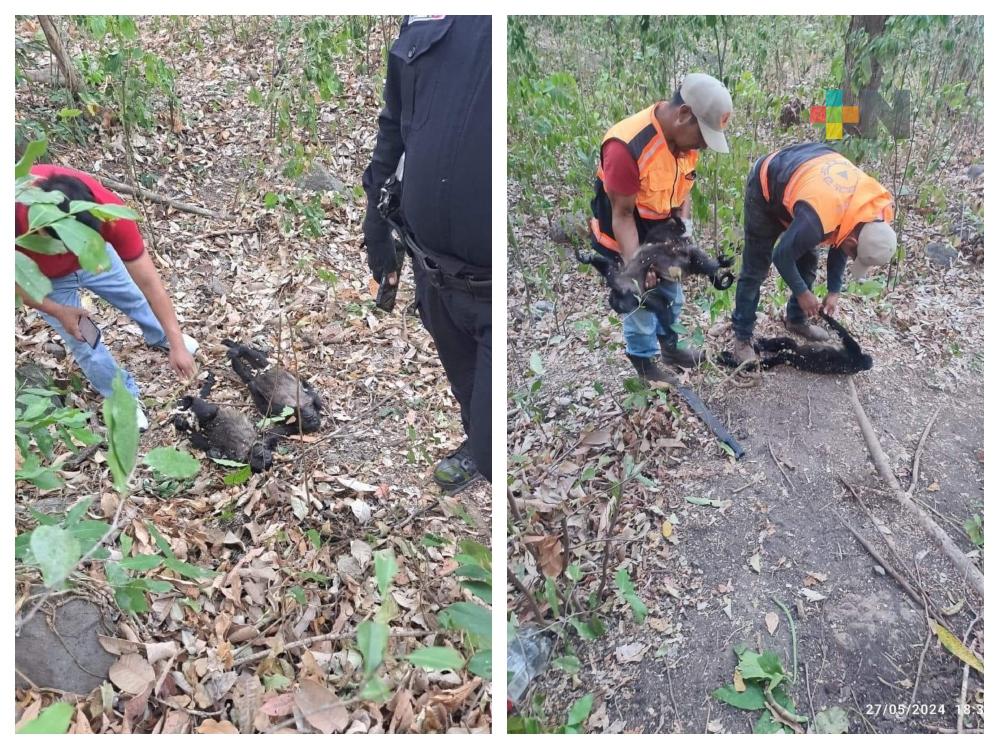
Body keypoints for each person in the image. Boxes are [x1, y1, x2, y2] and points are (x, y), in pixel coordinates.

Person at [361, 16, 491, 494]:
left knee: (495, 439)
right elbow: (396, 124)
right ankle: (475, 442)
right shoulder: (424, 14)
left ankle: (485, 449)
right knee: (466, 386)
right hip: (431, 269)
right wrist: (376, 224)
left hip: (491, 287)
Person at [15, 165, 198, 430]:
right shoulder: (13, 218)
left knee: (133, 298)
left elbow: (150, 284)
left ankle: (160, 336)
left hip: (98, 260)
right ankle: (122, 399)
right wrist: (57, 310)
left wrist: (177, 343)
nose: (73, 253)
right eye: (68, 246)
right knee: (85, 343)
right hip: (44, 280)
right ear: (41, 229)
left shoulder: (109, 213)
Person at [588, 73, 733, 382]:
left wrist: (684, 241)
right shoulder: (626, 146)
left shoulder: (686, 144)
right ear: (684, 115)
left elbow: (683, 193)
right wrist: (638, 266)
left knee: (673, 294)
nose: (703, 147)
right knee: (641, 303)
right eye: (702, 137)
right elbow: (623, 216)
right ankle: (643, 362)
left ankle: (671, 347)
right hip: (624, 238)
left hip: (662, 235)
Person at [731, 143, 896, 363]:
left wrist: (834, 289)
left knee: (808, 261)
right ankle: (742, 338)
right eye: (853, 254)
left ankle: (797, 319)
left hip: (805, 194)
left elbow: (842, 237)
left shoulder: (870, 211)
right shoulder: (818, 216)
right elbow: (781, 255)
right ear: (854, 241)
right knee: (755, 270)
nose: (851, 256)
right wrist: (803, 293)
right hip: (767, 188)